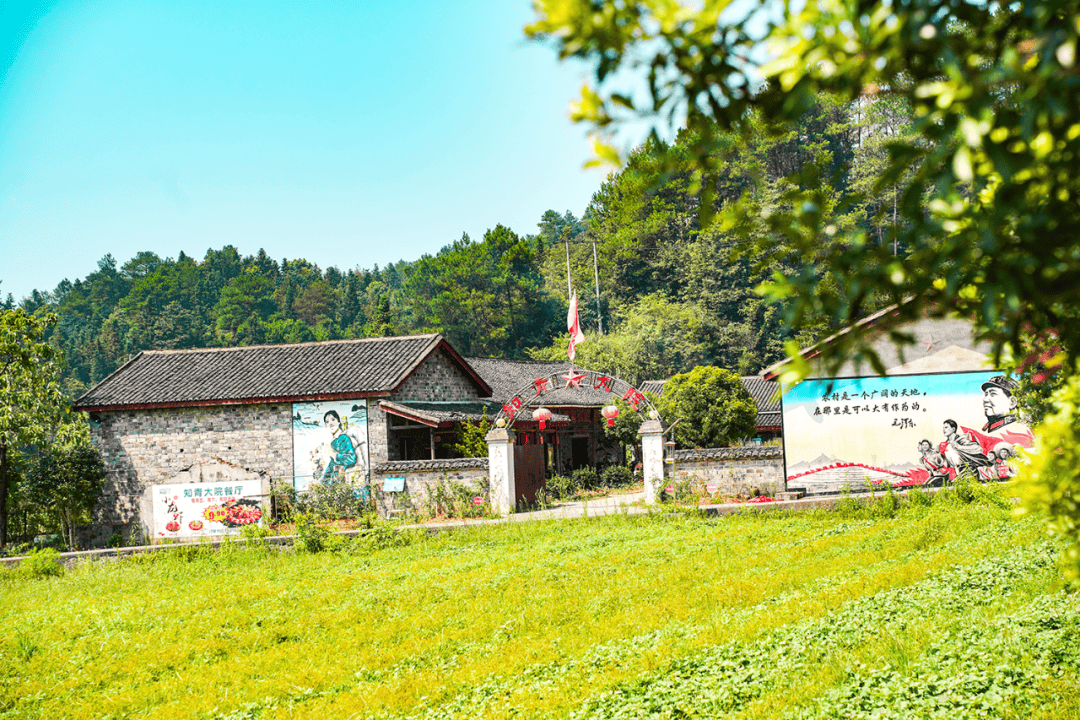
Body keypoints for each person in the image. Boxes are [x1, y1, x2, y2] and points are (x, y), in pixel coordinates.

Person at [319, 410, 357, 481]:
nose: (330, 424)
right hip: (336, 479)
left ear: (339, 422)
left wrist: (334, 455)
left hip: (345, 479)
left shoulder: (344, 438)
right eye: (327, 422)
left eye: (333, 420)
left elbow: (351, 459)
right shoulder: (334, 442)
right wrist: (322, 479)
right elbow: (332, 464)